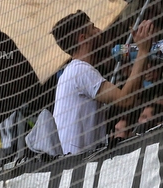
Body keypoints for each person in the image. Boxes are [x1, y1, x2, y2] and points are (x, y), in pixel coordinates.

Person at [52, 11, 154, 155]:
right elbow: (126, 99)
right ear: (83, 38)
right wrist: (143, 51)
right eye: (93, 28)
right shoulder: (80, 70)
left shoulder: (72, 72)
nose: (99, 31)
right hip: (77, 165)